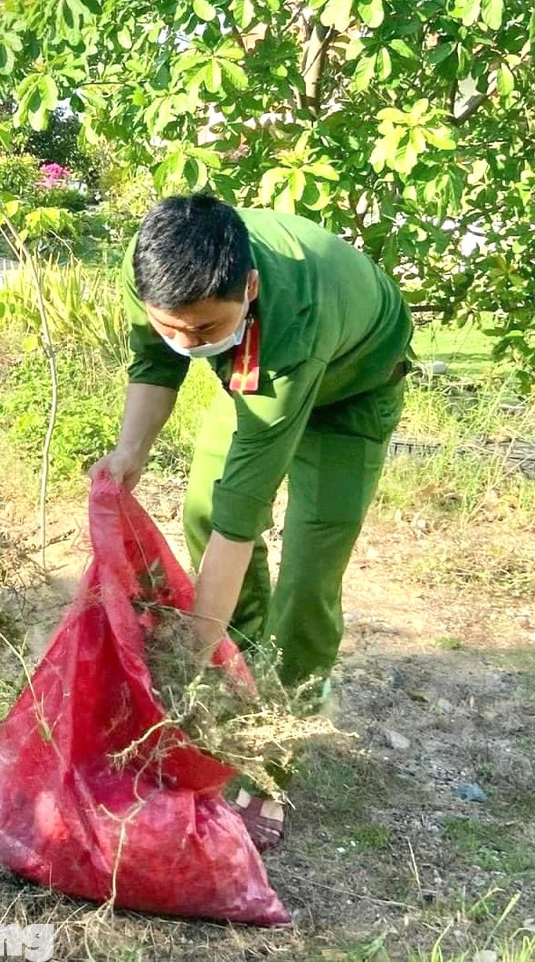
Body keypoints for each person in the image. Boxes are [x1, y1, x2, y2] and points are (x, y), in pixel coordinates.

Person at [93, 193, 412, 848]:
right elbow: (154, 363)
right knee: (201, 510)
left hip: (352, 389)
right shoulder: (153, 265)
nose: (187, 344)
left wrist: (180, 674)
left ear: (252, 287)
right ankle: (236, 684)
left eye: (206, 331)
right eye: (172, 326)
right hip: (262, 373)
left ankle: (272, 760)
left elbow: (246, 514)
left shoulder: (292, 318)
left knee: (306, 579)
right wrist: (130, 454)